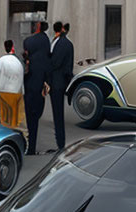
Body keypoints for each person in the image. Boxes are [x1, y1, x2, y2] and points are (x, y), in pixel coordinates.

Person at [0, 40, 26, 136]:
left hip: (4, 92)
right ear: (12, 48)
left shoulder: (0, 61)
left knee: (5, 118)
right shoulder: (18, 62)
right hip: (16, 93)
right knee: (14, 119)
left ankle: (5, 136)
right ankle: (14, 135)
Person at [22, 21, 51, 154]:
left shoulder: (28, 41)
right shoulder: (46, 41)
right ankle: (32, 146)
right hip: (40, 85)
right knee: (36, 116)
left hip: (29, 85)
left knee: (28, 117)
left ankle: (28, 145)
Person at [48, 21, 73, 151]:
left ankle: (60, 143)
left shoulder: (58, 43)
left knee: (57, 114)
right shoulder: (67, 43)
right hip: (61, 82)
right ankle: (60, 142)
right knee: (58, 113)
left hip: (56, 83)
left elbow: (55, 63)